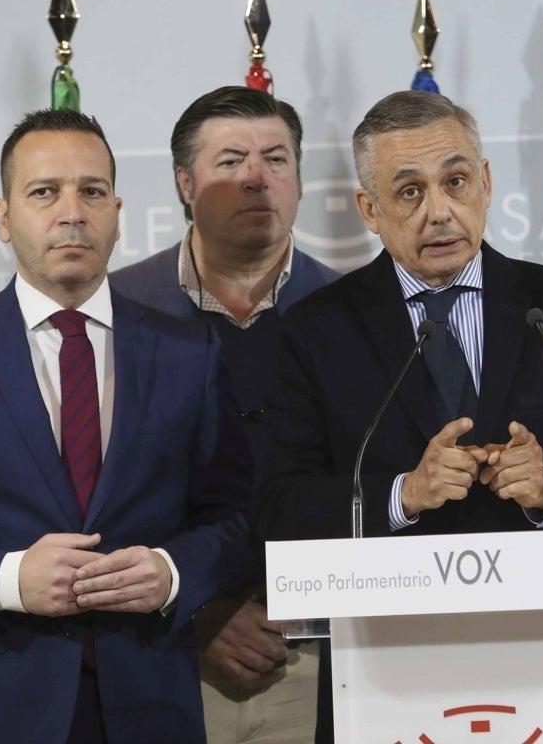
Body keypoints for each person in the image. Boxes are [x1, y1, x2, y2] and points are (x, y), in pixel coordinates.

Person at [254, 90, 543, 741]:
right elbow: (278, 502)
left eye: (455, 181)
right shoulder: (314, 333)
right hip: (383, 674)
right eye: (409, 192)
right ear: (369, 209)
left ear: (487, 184)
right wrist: (402, 495)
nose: (439, 212)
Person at [0, 109, 254, 743]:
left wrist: (172, 570)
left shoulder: (190, 351)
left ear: (116, 211)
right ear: (3, 217)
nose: (72, 211)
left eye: (91, 191)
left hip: (151, 706)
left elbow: (238, 518)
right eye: (43, 192)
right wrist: (8, 580)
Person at [112, 86, 338, 744]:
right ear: (185, 183)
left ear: (299, 179)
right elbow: (88, 497)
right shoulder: (116, 312)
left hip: (317, 660)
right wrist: (195, 612)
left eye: (276, 159)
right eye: (230, 160)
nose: (256, 178)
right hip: (153, 655)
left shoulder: (356, 314)